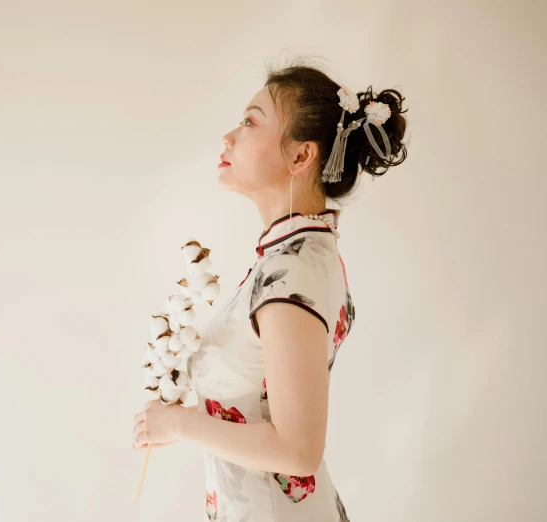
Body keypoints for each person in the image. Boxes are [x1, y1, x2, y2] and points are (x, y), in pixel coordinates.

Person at [132, 61, 409, 521]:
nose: (229, 137)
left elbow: (297, 450)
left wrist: (179, 423)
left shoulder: (292, 269)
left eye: (249, 121)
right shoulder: (294, 255)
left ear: (301, 157)